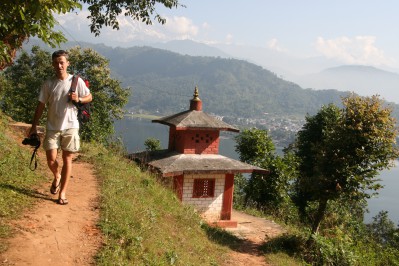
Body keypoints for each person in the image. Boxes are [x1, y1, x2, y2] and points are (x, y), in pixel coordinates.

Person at [28, 50, 92, 205]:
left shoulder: (76, 81)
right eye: (56, 62)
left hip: (71, 126)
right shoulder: (48, 84)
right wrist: (34, 125)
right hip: (52, 127)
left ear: (67, 63)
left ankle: (62, 193)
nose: (59, 65)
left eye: (62, 62)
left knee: (67, 158)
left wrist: (80, 98)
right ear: (52, 64)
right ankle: (57, 176)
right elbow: (40, 105)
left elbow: (89, 97)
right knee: (50, 159)